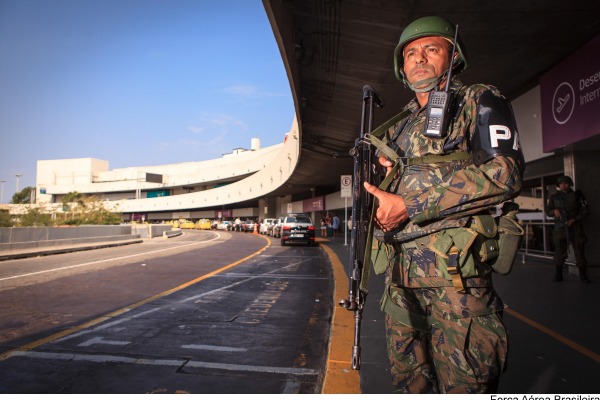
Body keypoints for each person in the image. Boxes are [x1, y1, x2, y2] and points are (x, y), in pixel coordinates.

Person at [362, 16, 524, 393]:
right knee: (410, 383)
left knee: (466, 384)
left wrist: (411, 203)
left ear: (453, 58)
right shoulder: (399, 127)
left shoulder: (479, 100)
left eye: (431, 50)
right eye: (411, 54)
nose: (419, 59)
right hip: (400, 279)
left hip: (457, 280)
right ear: (402, 69)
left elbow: (506, 173)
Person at [547, 175, 590, 283]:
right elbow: (548, 211)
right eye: (561, 184)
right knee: (559, 252)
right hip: (561, 228)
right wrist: (554, 212)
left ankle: (583, 276)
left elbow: (585, 211)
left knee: (580, 252)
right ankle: (558, 274)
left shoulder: (577, 195)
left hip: (575, 228)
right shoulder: (555, 197)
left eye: (565, 183)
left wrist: (574, 219)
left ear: (570, 184)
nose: (563, 185)